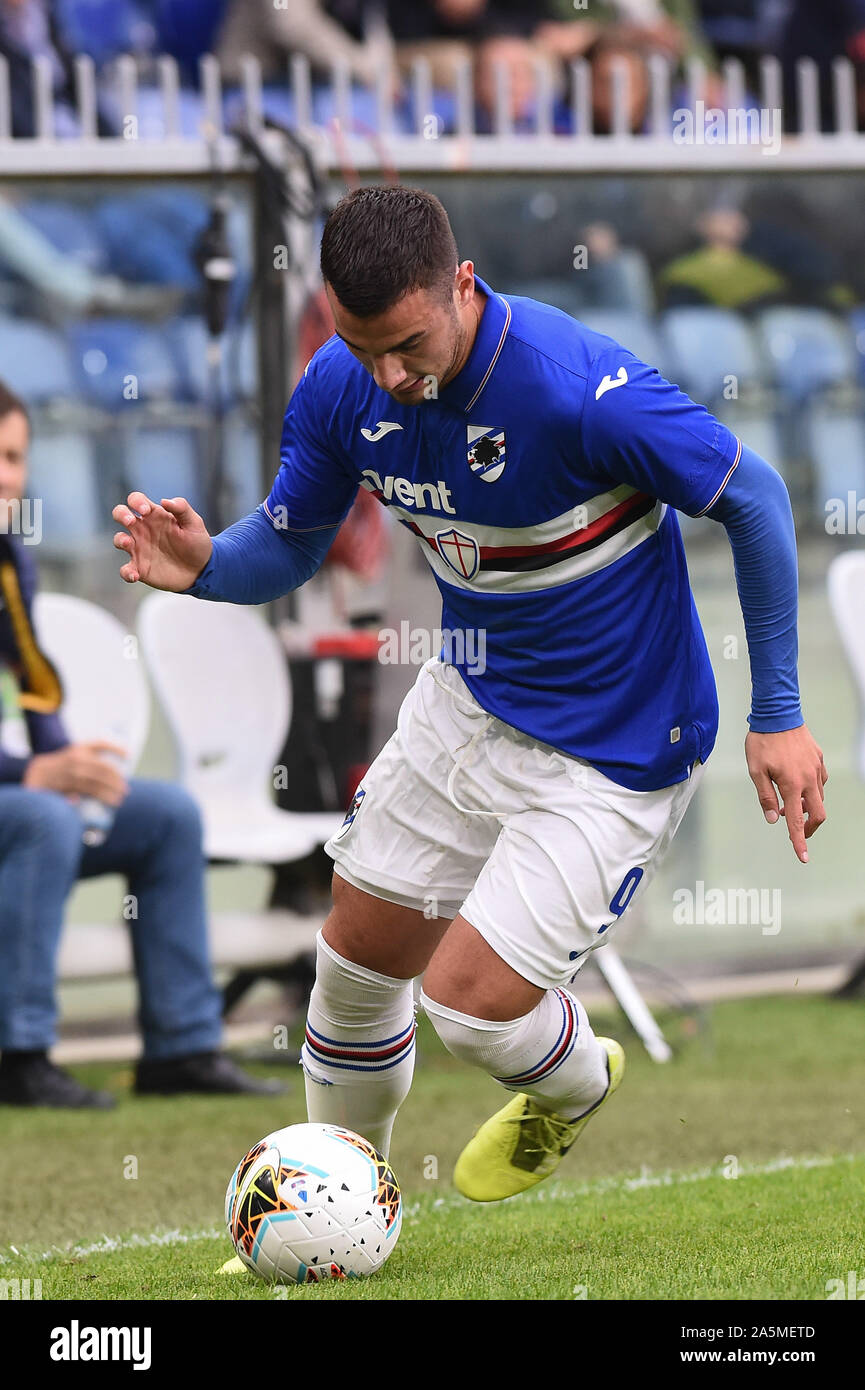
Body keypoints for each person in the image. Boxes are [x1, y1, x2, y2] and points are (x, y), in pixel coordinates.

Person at [112, 187, 827, 1224]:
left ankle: (574, 1082)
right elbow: (293, 538)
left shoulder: (580, 391)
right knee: (352, 963)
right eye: (364, 350)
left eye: (406, 344)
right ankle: (335, 1216)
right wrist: (209, 565)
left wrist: (782, 713)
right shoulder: (340, 384)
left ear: (462, 285)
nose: (389, 376)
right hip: (469, 700)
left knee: (471, 1009)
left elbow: (754, 499)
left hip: (615, 745)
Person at [0, 381, 283, 1107]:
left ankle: (182, 1048)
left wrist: (69, 766)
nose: (9, 476)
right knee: (41, 817)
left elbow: (37, 682)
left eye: (16, 458)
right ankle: (19, 1054)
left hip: (23, 791)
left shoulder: (9, 558)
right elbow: (29, 771)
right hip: (18, 807)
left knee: (163, 816)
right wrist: (34, 773)